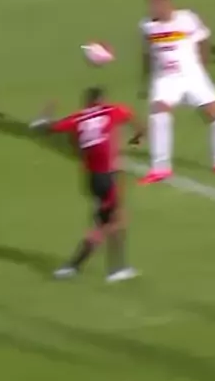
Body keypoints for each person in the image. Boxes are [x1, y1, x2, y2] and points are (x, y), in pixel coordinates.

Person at [30, 86, 144, 283]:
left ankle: (116, 267)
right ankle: (76, 266)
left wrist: (45, 115)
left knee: (116, 219)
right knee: (106, 225)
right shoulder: (112, 110)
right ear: (103, 99)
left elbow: (44, 128)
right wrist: (135, 140)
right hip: (108, 177)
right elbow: (138, 124)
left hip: (93, 178)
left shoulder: (78, 118)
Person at [138, 0, 215, 184]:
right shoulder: (146, 26)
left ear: (168, 2)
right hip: (165, 79)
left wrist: (203, 68)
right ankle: (160, 168)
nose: (153, 7)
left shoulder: (187, 19)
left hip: (192, 75)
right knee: (159, 113)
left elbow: (203, 42)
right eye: (151, 3)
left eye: (157, 3)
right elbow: (147, 53)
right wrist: (146, 80)